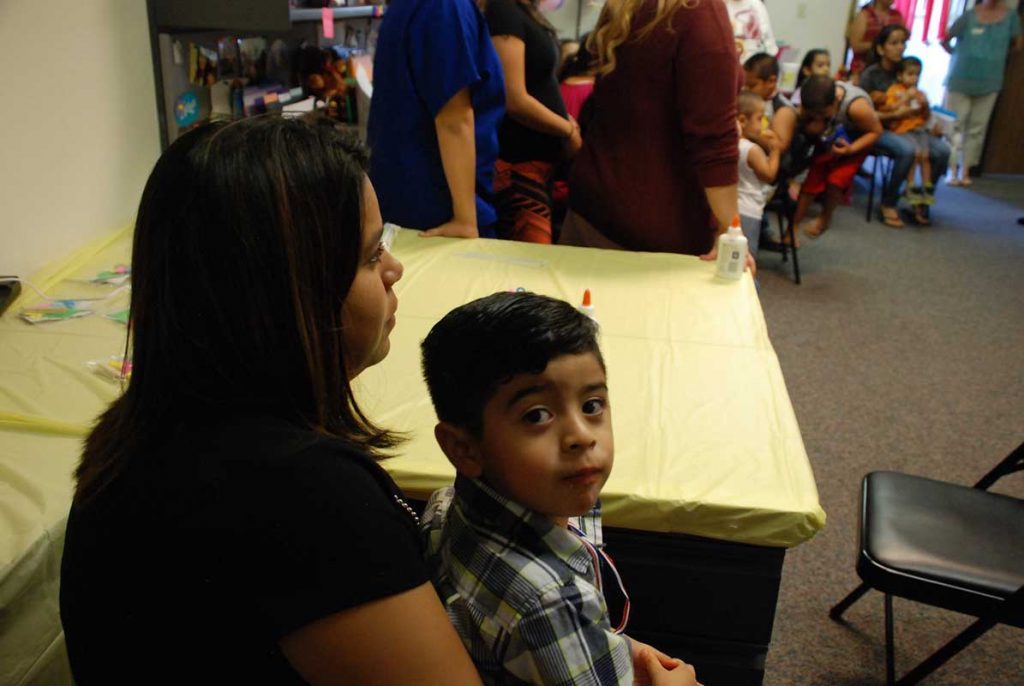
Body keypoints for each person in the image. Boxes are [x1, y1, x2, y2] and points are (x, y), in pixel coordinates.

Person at [58, 117, 483, 683]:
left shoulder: (138, 428)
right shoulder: (304, 496)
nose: (393, 268)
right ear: (288, 296)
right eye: (368, 253)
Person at [419, 290, 702, 686]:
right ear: (463, 448)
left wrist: (609, 648)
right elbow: (546, 612)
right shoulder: (549, 603)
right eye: (537, 415)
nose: (581, 436)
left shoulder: (445, 504)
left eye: (592, 405)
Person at [564, 0, 751, 275]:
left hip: (593, 208)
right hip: (655, 233)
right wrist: (730, 230)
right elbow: (713, 137)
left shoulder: (626, 6)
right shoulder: (699, 10)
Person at [368, 0, 505, 238]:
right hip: (439, 204)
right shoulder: (446, 7)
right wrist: (465, 219)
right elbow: (454, 119)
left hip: (407, 194)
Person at [487, 0, 581, 244]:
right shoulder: (504, 10)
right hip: (518, 165)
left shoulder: (524, 12)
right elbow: (514, 99)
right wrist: (567, 129)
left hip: (537, 166)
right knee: (527, 262)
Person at [860, 24, 951, 227]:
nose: (900, 47)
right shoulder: (871, 75)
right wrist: (894, 113)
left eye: (903, 43)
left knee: (943, 151)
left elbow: (917, 107)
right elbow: (863, 114)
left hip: (913, 128)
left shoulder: (908, 68)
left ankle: (921, 200)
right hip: (881, 127)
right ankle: (889, 203)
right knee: (907, 150)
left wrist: (929, 119)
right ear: (881, 48)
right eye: (894, 43)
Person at [942, 0, 1023, 187]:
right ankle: (950, 169)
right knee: (955, 124)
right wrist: (958, 55)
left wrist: (994, 59)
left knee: (977, 127)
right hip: (960, 77)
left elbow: (1017, 45)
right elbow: (945, 40)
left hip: (990, 79)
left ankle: (966, 170)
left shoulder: (1011, 17)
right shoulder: (969, 15)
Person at [793, 75, 882, 239]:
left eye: (822, 113)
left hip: (857, 140)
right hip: (830, 137)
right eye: (813, 114)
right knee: (811, 182)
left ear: (835, 101)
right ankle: (792, 228)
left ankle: (825, 218)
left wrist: (851, 149)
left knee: (836, 180)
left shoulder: (856, 107)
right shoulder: (812, 101)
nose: (818, 116)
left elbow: (876, 131)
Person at [884, 56, 933, 221]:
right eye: (910, 74)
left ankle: (927, 189)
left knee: (925, 155)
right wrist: (906, 98)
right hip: (903, 129)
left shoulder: (920, 93)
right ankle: (910, 186)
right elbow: (889, 109)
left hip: (919, 129)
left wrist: (925, 105)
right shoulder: (895, 90)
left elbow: (925, 117)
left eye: (917, 75)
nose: (914, 78)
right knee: (914, 153)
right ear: (900, 76)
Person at [737, 90, 781, 257]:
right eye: (759, 118)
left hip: (734, 204)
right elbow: (769, 175)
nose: (764, 124)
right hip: (748, 209)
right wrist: (775, 150)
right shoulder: (752, 150)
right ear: (742, 120)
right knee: (746, 256)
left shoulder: (733, 144)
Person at [846, 0, 905, 84]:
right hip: (861, 71)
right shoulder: (864, 15)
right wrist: (880, 44)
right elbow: (855, 46)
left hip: (890, 72)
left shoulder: (897, 16)